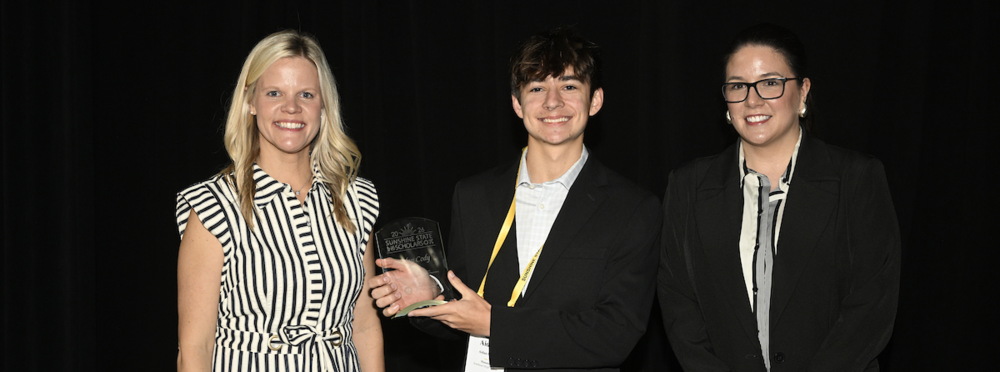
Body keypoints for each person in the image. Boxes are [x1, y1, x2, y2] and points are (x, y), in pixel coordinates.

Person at [369, 27, 661, 371]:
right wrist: (430, 295)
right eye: (537, 88)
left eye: (568, 86)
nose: (553, 102)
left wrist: (495, 325)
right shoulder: (474, 195)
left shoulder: (634, 208)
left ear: (594, 100)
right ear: (516, 103)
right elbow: (464, 304)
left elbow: (615, 334)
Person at [657, 23, 901, 372]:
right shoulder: (688, 186)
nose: (752, 100)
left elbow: (871, 305)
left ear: (802, 92)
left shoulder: (856, 178)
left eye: (770, 83)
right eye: (738, 86)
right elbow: (678, 302)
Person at [176, 30, 383, 372]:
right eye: (274, 93)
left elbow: (363, 325)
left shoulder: (356, 199)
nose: (292, 107)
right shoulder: (214, 207)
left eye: (306, 94)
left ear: (323, 106)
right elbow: (194, 349)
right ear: (251, 102)